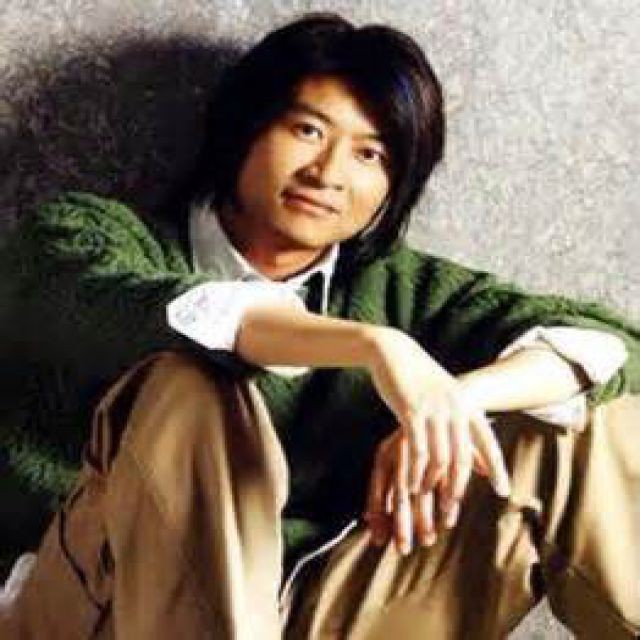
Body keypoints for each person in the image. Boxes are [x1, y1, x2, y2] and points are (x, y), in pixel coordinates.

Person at [1, 11, 639, 639]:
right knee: (189, 385)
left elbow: (609, 346)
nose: (329, 173)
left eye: (370, 154)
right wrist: (374, 348)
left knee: (579, 422)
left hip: (324, 608)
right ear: (244, 129)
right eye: (307, 130)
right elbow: (169, 312)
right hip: (105, 609)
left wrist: (451, 401)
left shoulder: (404, 288)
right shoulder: (91, 236)